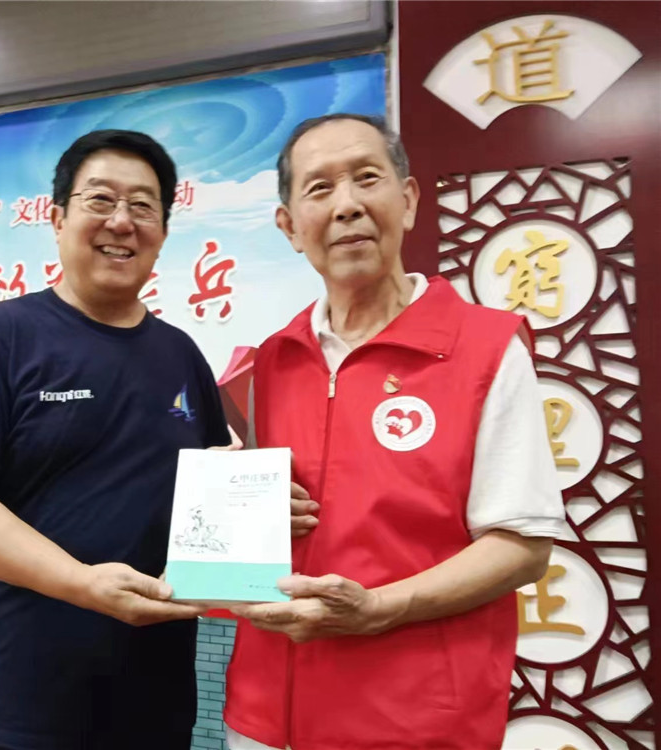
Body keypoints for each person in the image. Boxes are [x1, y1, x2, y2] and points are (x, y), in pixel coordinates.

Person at [223, 114, 566, 750]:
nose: (347, 205)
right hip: (262, 716)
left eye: (366, 178)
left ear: (407, 200)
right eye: (320, 188)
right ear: (289, 227)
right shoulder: (271, 362)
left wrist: (378, 609)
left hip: (415, 721)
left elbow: (522, 547)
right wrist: (239, 508)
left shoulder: (486, 349)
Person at [0, 129, 231, 750]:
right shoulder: (1, 336)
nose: (122, 221)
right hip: (11, 707)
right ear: (57, 219)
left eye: (143, 206)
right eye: (101, 200)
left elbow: (211, 491)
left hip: (152, 707)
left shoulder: (182, 356)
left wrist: (262, 509)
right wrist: (82, 583)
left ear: (163, 231)